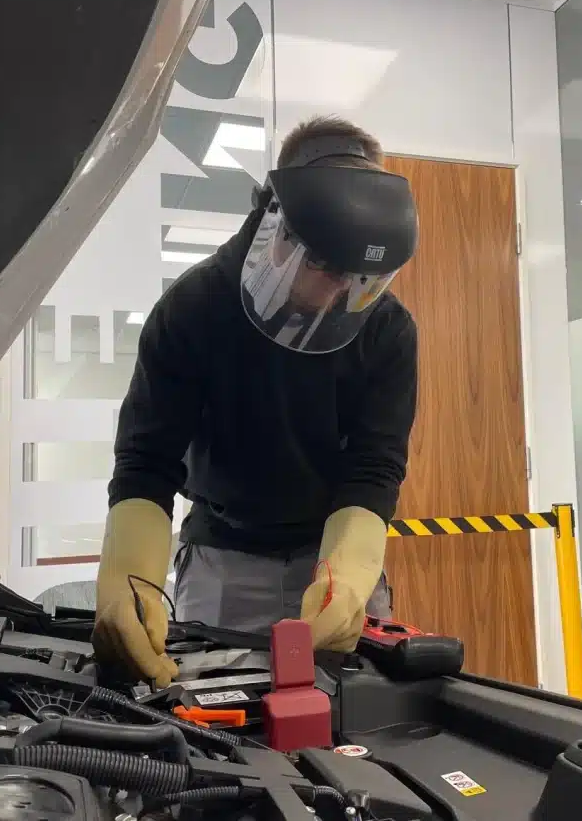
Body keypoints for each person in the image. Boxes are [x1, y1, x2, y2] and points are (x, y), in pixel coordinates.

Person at [93, 116, 419, 687]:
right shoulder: (194, 308)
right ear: (277, 225)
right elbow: (146, 461)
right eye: (323, 265)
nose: (339, 292)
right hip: (223, 556)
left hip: (329, 552)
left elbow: (375, 464)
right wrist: (130, 580)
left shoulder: (386, 328)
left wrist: (347, 576)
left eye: (359, 276)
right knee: (202, 713)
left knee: (354, 709)